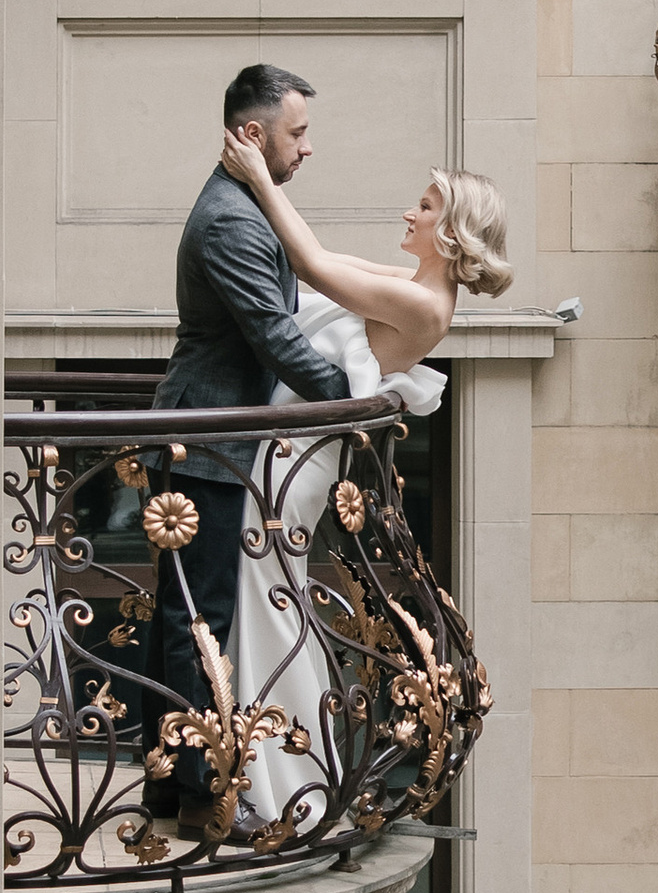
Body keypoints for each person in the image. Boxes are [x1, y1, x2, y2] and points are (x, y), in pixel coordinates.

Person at [215, 141, 514, 838]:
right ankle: (267, 773)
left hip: (291, 466)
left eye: (426, 206)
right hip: (283, 453)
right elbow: (317, 262)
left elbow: (314, 264)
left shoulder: (422, 306)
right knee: (261, 612)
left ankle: (284, 786)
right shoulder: (412, 285)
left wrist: (259, 177)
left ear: (450, 231)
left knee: (270, 616)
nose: (409, 212)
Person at [147, 63, 349, 834]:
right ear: (253, 133)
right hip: (205, 444)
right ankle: (198, 795)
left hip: (218, 440)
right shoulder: (231, 219)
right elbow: (272, 338)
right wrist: (353, 387)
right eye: (296, 133)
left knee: (191, 614)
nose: (307, 148)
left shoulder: (243, 205)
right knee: (199, 620)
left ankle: (172, 783)